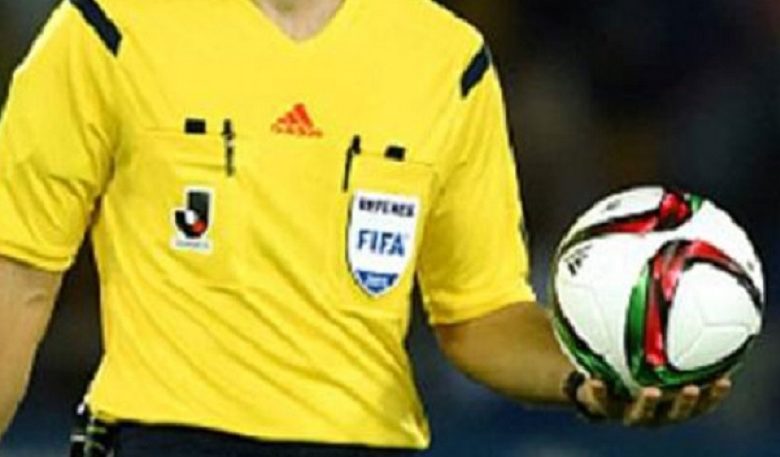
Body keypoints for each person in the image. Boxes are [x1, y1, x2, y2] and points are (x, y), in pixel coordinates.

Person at [0, 0, 732, 455]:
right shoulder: (107, 28)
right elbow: (19, 279)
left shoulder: (448, 61)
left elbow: (478, 313)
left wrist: (589, 375)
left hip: (367, 445)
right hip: (163, 441)